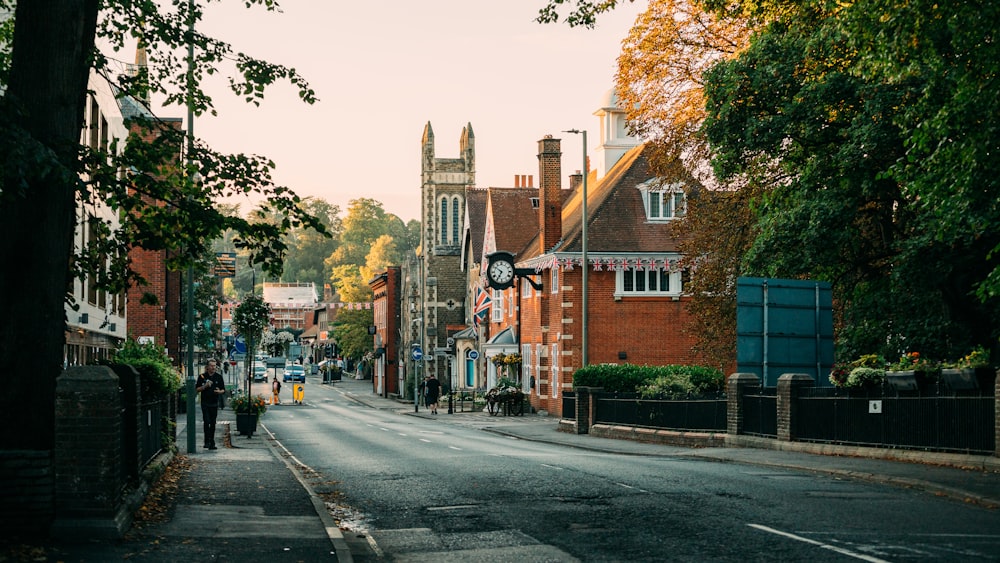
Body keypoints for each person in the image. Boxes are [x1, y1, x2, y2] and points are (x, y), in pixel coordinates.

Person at [197, 359, 226, 450]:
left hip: (214, 403)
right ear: (207, 367)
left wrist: (219, 391)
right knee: (206, 421)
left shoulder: (218, 377)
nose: (213, 367)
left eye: (214, 366)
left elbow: (223, 389)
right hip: (205, 402)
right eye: (211, 366)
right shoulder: (202, 377)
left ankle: (212, 441)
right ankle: (206, 441)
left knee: (213, 423)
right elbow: (197, 389)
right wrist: (205, 386)